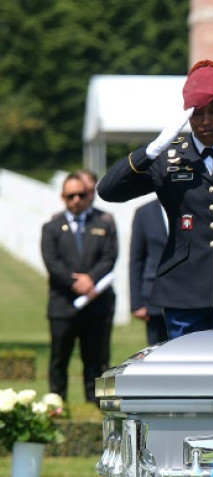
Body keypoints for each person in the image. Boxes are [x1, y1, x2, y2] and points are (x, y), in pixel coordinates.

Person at [98, 59, 213, 339]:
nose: (206, 121)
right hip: (182, 290)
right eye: (197, 114)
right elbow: (109, 190)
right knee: (185, 378)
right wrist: (150, 150)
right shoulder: (167, 157)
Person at [41, 172, 117, 402]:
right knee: (59, 359)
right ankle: (56, 404)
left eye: (81, 195)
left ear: (88, 196)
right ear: (63, 197)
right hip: (62, 305)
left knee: (95, 360)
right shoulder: (52, 227)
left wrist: (90, 279)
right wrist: (76, 282)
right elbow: (51, 262)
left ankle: (95, 407)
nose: (76, 200)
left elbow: (109, 257)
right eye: (71, 195)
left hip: (96, 306)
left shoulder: (103, 224)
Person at [129, 199, 169, 345]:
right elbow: (136, 259)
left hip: (188, 296)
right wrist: (136, 303)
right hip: (153, 296)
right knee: (156, 351)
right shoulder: (144, 212)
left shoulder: (189, 207)